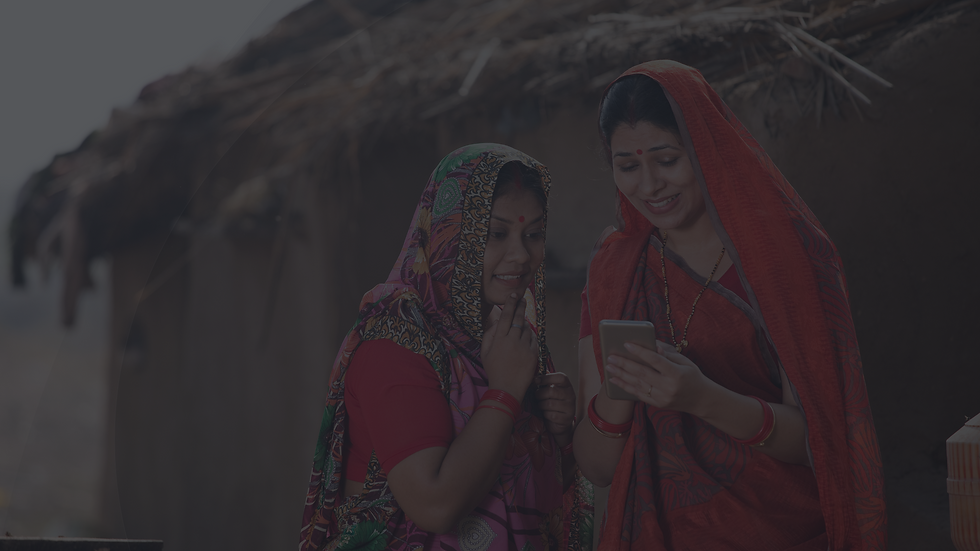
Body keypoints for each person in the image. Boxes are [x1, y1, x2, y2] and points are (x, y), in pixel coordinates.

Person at [572, 61, 886, 550]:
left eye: (667, 159)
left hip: (783, 533)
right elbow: (597, 466)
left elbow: (821, 440)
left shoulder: (785, 259)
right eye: (628, 166)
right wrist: (622, 391)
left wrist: (702, 399)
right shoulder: (614, 272)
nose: (650, 185)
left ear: (704, 147)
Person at [299, 144, 593, 551]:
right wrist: (506, 390)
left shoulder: (510, 335)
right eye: (496, 233)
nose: (521, 255)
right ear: (449, 231)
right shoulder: (396, 342)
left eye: (534, 234)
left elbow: (516, 497)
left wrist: (557, 435)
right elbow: (435, 506)